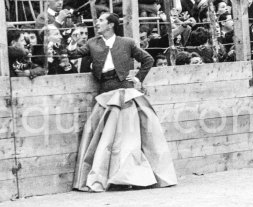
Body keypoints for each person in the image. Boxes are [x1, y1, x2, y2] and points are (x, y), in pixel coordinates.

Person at [68, 12, 177, 192]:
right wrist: (72, 41)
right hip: (105, 93)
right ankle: (115, 177)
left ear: (110, 25)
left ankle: (129, 177)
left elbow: (148, 59)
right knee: (108, 141)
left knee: (125, 140)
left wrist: (138, 78)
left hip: (124, 92)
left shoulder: (127, 42)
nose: (97, 23)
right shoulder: (92, 43)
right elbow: (72, 55)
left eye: (101, 20)